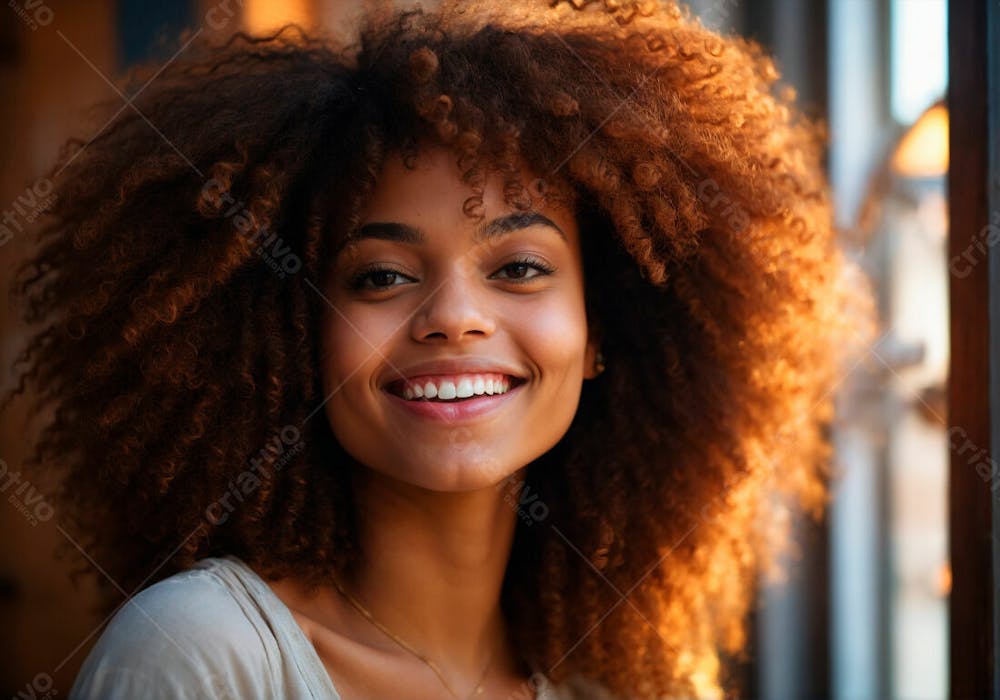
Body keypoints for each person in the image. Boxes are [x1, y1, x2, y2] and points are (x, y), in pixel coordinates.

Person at [4, 1, 874, 698]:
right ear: (290, 336)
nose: (454, 317)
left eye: (521, 266)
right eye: (380, 277)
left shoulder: (611, 684)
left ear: (602, 330)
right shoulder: (204, 657)